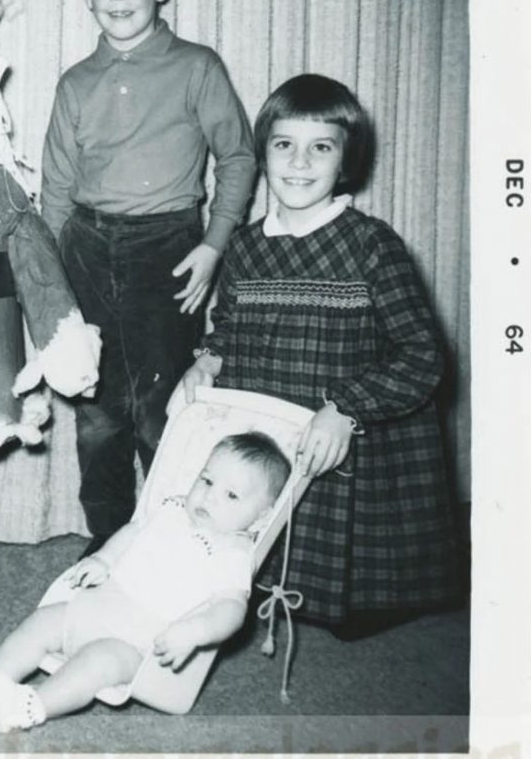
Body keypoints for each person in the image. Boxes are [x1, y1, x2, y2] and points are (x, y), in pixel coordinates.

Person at [169, 73, 462, 640]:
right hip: (276, 431)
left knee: (356, 613)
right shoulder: (246, 247)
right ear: (264, 154)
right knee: (258, 543)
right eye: (284, 145)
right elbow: (227, 327)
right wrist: (208, 358)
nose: (299, 163)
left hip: (347, 437)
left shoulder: (372, 244)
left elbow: (424, 355)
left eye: (320, 147)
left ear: (345, 161)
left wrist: (346, 408)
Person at [39, 0, 256, 555]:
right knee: (99, 409)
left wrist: (213, 245)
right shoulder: (75, 84)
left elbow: (239, 157)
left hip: (170, 250)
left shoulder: (196, 68)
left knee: (162, 409)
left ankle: (171, 534)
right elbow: (54, 190)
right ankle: (108, 537)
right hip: (86, 248)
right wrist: (51, 293)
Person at [0, 431, 290, 731]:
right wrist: (103, 559)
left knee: (96, 665)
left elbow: (231, 609)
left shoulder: (233, 551)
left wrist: (194, 632)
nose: (210, 496)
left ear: (260, 518)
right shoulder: (172, 510)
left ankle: (32, 706)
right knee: (41, 622)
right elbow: (133, 531)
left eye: (231, 496)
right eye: (207, 480)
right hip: (95, 607)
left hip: (137, 645)